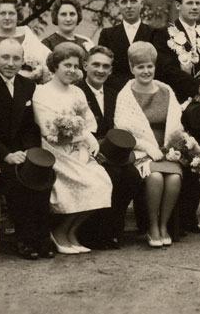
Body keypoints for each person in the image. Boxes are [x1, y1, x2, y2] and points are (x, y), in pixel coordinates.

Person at [0, 38, 54, 259]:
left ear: (22, 60)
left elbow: (30, 126)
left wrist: (30, 152)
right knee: (18, 180)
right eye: (5, 57)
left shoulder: (28, 86)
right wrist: (6, 155)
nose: (10, 63)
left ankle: (43, 237)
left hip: (22, 152)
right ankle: (25, 239)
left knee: (42, 174)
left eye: (16, 58)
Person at [153, 0, 200, 235]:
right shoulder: (164, 34)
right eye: (189, 3)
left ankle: (189, 218)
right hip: (177, 107)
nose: (195, 7)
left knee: (198, 161)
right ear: (178, 6)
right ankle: (173, 221)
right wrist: (196, 86)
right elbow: (166, 70)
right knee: (178, 160)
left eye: (198, 3)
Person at [32, 42, 112, 254]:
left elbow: (89, 123)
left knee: (103, 182)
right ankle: (59, 232)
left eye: (76, 66)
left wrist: (85, 138)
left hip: (79, 150)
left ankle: (70, 232)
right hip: (54, 151)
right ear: (55, 66)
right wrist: (80, 135)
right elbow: (48, 129)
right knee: (88, 182)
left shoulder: (77, 92)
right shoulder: (41, 92)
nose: (72, 70)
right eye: (67, 65)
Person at [114, 42, 185, 248]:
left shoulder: (166, 90)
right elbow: (123, 129)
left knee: (174, 178)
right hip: (139, 149)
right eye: (140, 67)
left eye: (149, 66)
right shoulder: (125, 94)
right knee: (155, 177)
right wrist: (147, 147)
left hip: (165, 148)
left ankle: (163, 225)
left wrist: (172, 147)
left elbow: (176, 124)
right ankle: (152, 226)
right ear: (132, 68)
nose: (146, 71)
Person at [75, 46, 143, 248]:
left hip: (112, 151)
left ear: (111, 70)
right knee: (111, 174)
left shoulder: (116, 94)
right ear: (85, 65)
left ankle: (112, 228)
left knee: (132, 176)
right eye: (95, 64)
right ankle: (91, 232)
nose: (100, 70)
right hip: (83, 149)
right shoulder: (77, 91)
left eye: (106, 66)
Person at [0, 0, 51, 80]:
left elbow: (47, 66)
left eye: (11, 13)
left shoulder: (29, 38)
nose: (7, 17)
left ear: (18, 15)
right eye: (3, 13)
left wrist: (31, 74)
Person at [98, 0, 155, 90]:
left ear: (141, 4)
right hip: (116, 91)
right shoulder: (107, 35)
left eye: (133, 1)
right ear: (118, 5)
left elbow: (159, 69)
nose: (129, 6)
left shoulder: (155, 33)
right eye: (124, 2)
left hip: (147, 91)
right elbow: (104, 67)